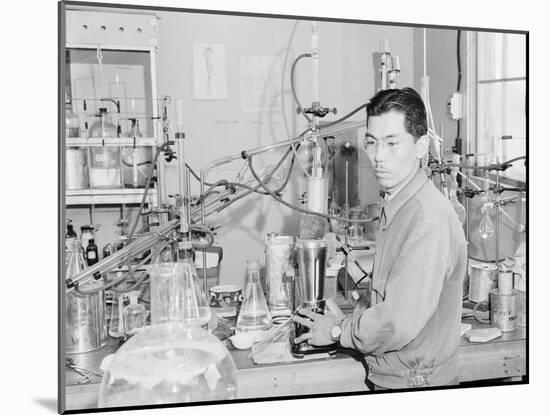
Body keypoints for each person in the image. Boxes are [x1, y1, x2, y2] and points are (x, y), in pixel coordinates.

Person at [293, 87, 467, 389]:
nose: (378, 157)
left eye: (392, 142)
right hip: (399, 374)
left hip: (416, 383)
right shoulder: (399, 204)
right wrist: (353, 318)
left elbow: (398, 321)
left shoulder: (426, 220)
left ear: (421, 146)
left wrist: (338, 333)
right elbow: (391, 294)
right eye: (372, 143)